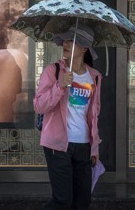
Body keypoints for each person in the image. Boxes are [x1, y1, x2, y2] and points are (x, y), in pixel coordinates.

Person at [34, 23, 102, 210]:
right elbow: (39, 106)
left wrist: (94, 148)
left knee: (82, 202)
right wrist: (60, 86)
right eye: (65, 40)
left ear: (85, 47)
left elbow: (94, 115)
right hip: (58, 145)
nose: (65, 43)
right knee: (62, 200)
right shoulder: (53, 71)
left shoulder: (94, 76)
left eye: (72, 41)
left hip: (83, 146)